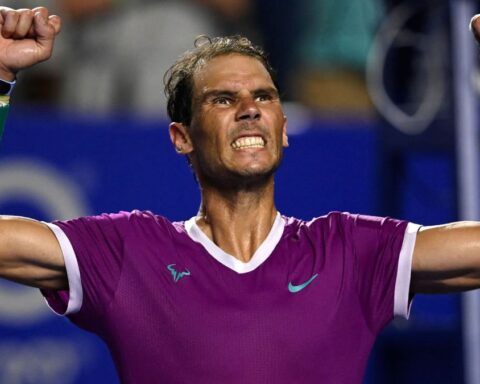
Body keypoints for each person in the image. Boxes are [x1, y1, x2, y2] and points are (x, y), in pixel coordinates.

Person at [1, 6, 480, 383]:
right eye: (223, 99)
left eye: (265, 97)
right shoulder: (128, 251)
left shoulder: (351, 251)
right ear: (181, 136)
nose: (250, 110)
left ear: (283, 127)